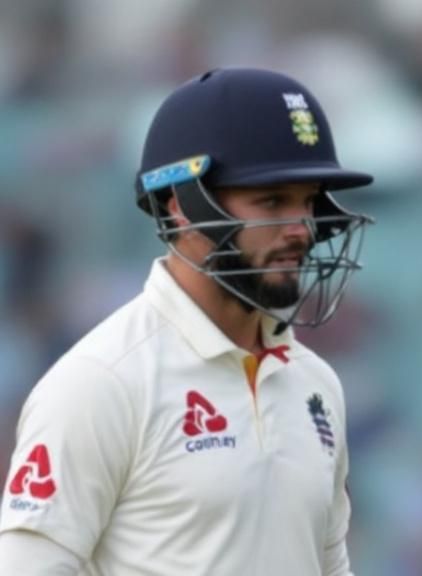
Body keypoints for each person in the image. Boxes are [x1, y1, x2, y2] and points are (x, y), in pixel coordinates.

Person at [0, 67, 374, 575]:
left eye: (307, 202)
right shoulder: (101, 382)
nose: (301, 229)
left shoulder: (316, 385)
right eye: (272, 201)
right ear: (183, 208)